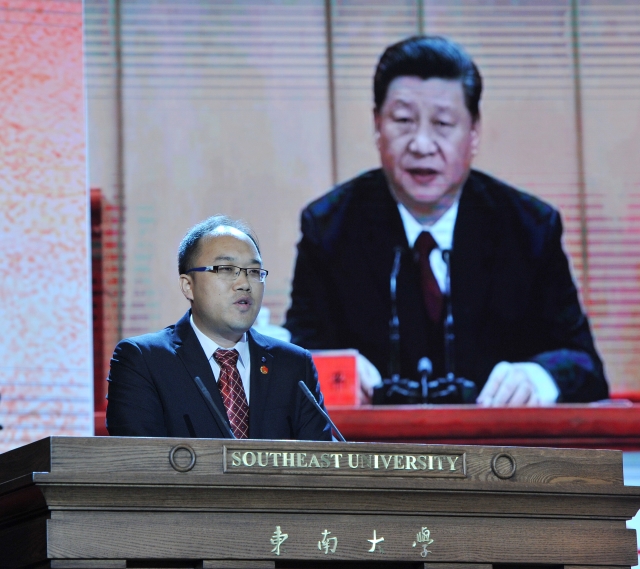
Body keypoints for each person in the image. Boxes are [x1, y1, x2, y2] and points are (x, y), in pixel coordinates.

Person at [285, 36, 608, 406]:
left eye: (442, 123)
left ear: (474, 133)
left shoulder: (529, 228)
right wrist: (332, 372)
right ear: (377, 126)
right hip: (371, 442)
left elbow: (584, 364)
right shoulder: (329, 228)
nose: (422, 144)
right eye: (403, 121)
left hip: (497, 441)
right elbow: (294, 358)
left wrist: (536, 377)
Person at [107, 215, 332, 440]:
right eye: (225, 269)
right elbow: (139, 458)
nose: (244, 284)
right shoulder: (144, 361)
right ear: (188, 286)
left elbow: (320, 458)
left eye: (254, 272)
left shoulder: (293, 365)